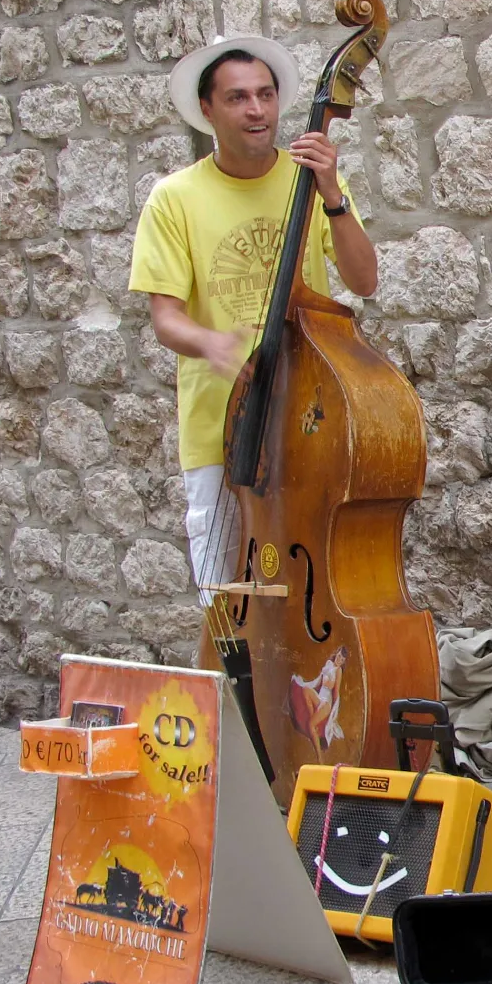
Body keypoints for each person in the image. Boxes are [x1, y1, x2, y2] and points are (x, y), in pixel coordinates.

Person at [130, 36, 378, 599]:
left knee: (316, 585)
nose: (257, 110)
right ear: (209, 110)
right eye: (238, 98)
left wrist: (332, 195)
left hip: (308, 418)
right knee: (226, 602)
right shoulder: (174, 199)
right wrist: (212, 344)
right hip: (222, 429)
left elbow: (364, 280)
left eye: (265, 95)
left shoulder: (308, 181)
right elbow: (166, 319)